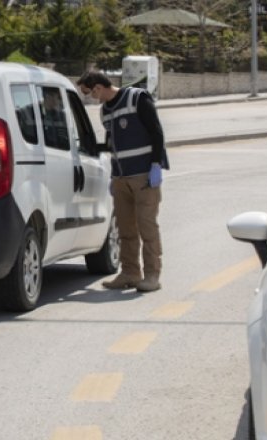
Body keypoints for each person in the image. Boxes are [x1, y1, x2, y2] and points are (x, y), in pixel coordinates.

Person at [77, 71, 168, 292]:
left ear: (99, 87)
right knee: (126, 229)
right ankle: (130, 273)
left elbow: (156, 132)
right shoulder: (105, 112)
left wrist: (156, 165)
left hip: (144, 176)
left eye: (89, 93)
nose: (91, 98)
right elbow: (112, 145)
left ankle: (152, 276)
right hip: (120, 178)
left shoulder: (137, 98)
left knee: (147, 227)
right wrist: (112, 175)